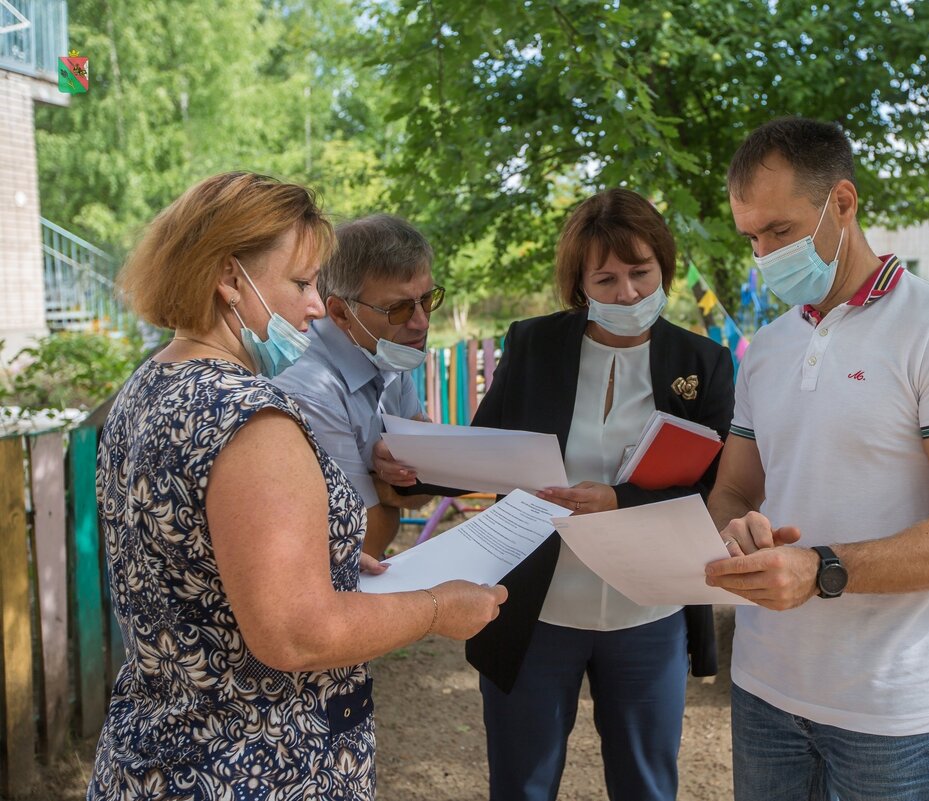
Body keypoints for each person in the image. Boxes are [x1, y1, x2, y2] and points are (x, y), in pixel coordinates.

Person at [87, 172, 506, 801]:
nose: (316, 307)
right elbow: (296, 633)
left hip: (158, 752)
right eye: (303, 283)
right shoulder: (251, 417)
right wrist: (438, 610)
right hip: (256, 766)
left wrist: (328, 555)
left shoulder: (149, 386)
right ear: (229, 278)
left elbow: (193, 559)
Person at [379, 187, 734, 800]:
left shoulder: (704, 362)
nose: (628, 293)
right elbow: (486, 450)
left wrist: (620, 500)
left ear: (665, 267)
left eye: (641, 272)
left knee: (647, 785)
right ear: (579, 285)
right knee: (522, 783)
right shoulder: (534, 344)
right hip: (537, 606)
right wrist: (409, 464)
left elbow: (720, 489)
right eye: (606, 279)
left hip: (648, 612)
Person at [703, 117, 929, 801]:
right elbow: (732, 493)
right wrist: (736, 531)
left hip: (890, 715)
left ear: (841, 202)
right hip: (762, 690)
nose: (765, 254)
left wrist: (822, 569)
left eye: (780, 231)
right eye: (751, 237)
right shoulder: (769, 349)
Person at [273, 214, 440, 558]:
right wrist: (390, 486)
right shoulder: (310, 389)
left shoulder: (386, 351)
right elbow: (364, 541)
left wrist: (401, 482)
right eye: (398, 309)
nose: (421, 322)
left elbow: (426, 487)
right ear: (340, 313)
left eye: (428, 300)